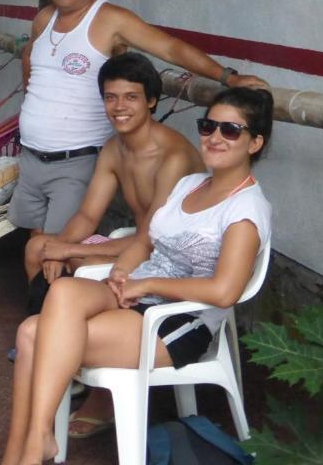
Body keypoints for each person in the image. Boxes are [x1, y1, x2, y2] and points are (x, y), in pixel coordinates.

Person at [1, 87, 274, 465]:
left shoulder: (245, 210)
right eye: (208, 125)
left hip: (177, 321)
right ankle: (31, 441)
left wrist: (147, 284)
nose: (214, 137)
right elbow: (146, 240)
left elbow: (225, 291)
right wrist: (123, 273)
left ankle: (28, 449)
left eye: (231, 130)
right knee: (62, 290)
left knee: (32, 334)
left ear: (254, 142)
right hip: (138, 294)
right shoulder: (189, 185)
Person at [13, 0, 266, 238]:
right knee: (33, 239)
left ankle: (64, 286)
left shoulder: (111, 19)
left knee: (56, 246)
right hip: (31, 156)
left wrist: (227, 78)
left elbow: (169, 48)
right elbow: (29, 60)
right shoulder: (44, 19)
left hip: (76, 158)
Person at [22, 52, 204, 438]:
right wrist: (58, 246)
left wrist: (69, 251)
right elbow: (88, 217)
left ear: (151, 100)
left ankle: (99, 395)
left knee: (66, 261)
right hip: (133, 247)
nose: (119, 107)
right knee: (36, 249)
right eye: (111, 97)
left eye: (131, 97)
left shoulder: (171, 155)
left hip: (160, 258)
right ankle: (71, 368)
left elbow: (151, 239)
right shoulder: (114, 148)